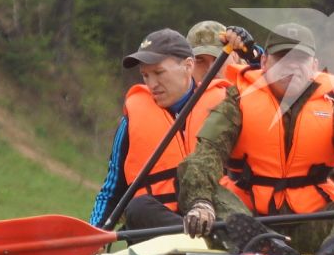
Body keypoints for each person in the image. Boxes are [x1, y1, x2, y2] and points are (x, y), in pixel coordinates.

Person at [177, 23, 334, 255]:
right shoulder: (237, 103)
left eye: (300, 59)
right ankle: (260, 243)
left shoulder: (333, 106)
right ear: (264, 64)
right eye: (282, 58)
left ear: (313, 66)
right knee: (203, 187)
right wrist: (200, 202)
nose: (291, 67)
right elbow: (205, 156)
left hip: (314, 222)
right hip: (251, 219)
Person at [89, 28, 229, 231]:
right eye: (145, 76)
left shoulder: (224, 108)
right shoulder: (130, 121)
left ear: (188, 66)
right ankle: (192, 236)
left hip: (215, 218)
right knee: (137, 208)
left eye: (159, 73)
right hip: (158, 230)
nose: (152, 84)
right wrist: (95, 231)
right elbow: (112, 190)